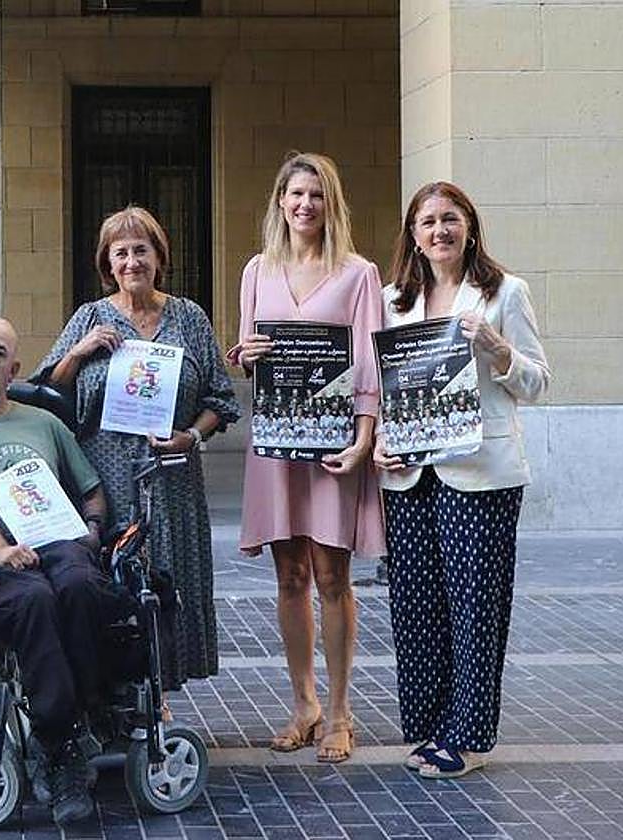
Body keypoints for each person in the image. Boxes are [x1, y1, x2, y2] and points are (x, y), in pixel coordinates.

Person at [0, 317, 131, 827]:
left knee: (81, 585)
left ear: (13, 370)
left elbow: (90, 486)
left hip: (59, 540)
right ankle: (62, 742)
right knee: (32, 599)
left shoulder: (46, 424)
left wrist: (95, 529)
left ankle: (63, 730)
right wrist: (2, 548)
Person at [374, 182, 550, 779]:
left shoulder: (505, 293)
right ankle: (428, 726)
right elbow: (379, 388)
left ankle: (468, 735)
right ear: (413, 235)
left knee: (476, 605)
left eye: (450, 219)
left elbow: (537, 382)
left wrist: (498, 350)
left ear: (470, 227)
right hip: (410, 474)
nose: (439, 231)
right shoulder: (393, 299)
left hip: (481, 474)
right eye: (427, 222)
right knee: (416, 605)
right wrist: (381, 444)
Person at [33, 206, 240, 699]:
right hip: (106, 477)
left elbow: (221, 400)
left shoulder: (189, 317)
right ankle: (117, 694)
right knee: (111, 582)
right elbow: (47, 393)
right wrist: (79, 352)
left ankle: (159, 701)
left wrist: (191, 437)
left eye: (141, 250)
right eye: (120, 253)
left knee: (170, 584)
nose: (131, 262)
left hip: (171, 478)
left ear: (158, 256)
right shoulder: (90, 317)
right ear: (108, 263)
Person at [229, 152, 385, 763]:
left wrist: (364, 438)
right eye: (296, 194)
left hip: (333, 444)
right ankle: (304, 704)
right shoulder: (256, 271)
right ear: (280, 201)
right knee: (289, 577)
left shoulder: (358, 274)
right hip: (276, 446)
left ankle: (342, 712)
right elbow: (243, 355)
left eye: (317, 195)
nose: (305, 205)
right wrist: (244, 354)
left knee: (332, 577)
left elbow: (369, 361)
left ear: (331, 203)